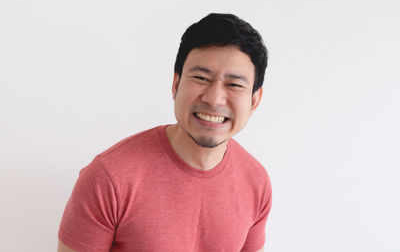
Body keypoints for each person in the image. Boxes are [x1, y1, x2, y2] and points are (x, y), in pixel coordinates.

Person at [58, 13, 272, 252]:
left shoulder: (256, 182)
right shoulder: (108, 178)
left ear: (254, 100)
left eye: (233, 85)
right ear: (175, 84)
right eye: (201, 78)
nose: (214, 98)